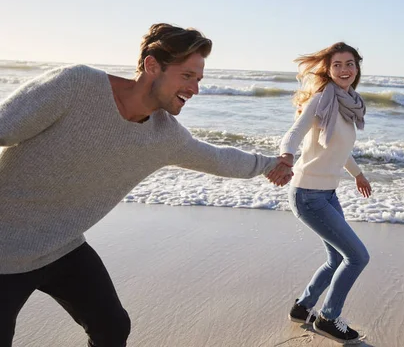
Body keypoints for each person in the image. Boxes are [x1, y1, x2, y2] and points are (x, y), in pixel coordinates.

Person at [0, 23, 292, 347]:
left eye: (199, 79)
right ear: (153, 65)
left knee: (112, 327)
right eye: (187, 76)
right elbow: (3, 127)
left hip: (61, 246)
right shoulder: (76, 85)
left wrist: (270, 165)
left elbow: (219, 158)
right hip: (3, 247)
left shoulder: (165, 136)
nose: (195, 89)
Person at [271, 42, 372, 343]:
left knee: (336, 259)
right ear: (328, 70)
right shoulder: (321, 100)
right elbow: (295, 132)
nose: (344, 69)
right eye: (338, 64)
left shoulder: (347, 103)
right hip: (307, 194)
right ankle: (328, 317)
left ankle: (302, 308)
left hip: (327, 194)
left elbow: (340, 148)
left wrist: (358, 174)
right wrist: (286, 156)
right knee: (357, 257)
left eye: (350, 63)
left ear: (357, 68)